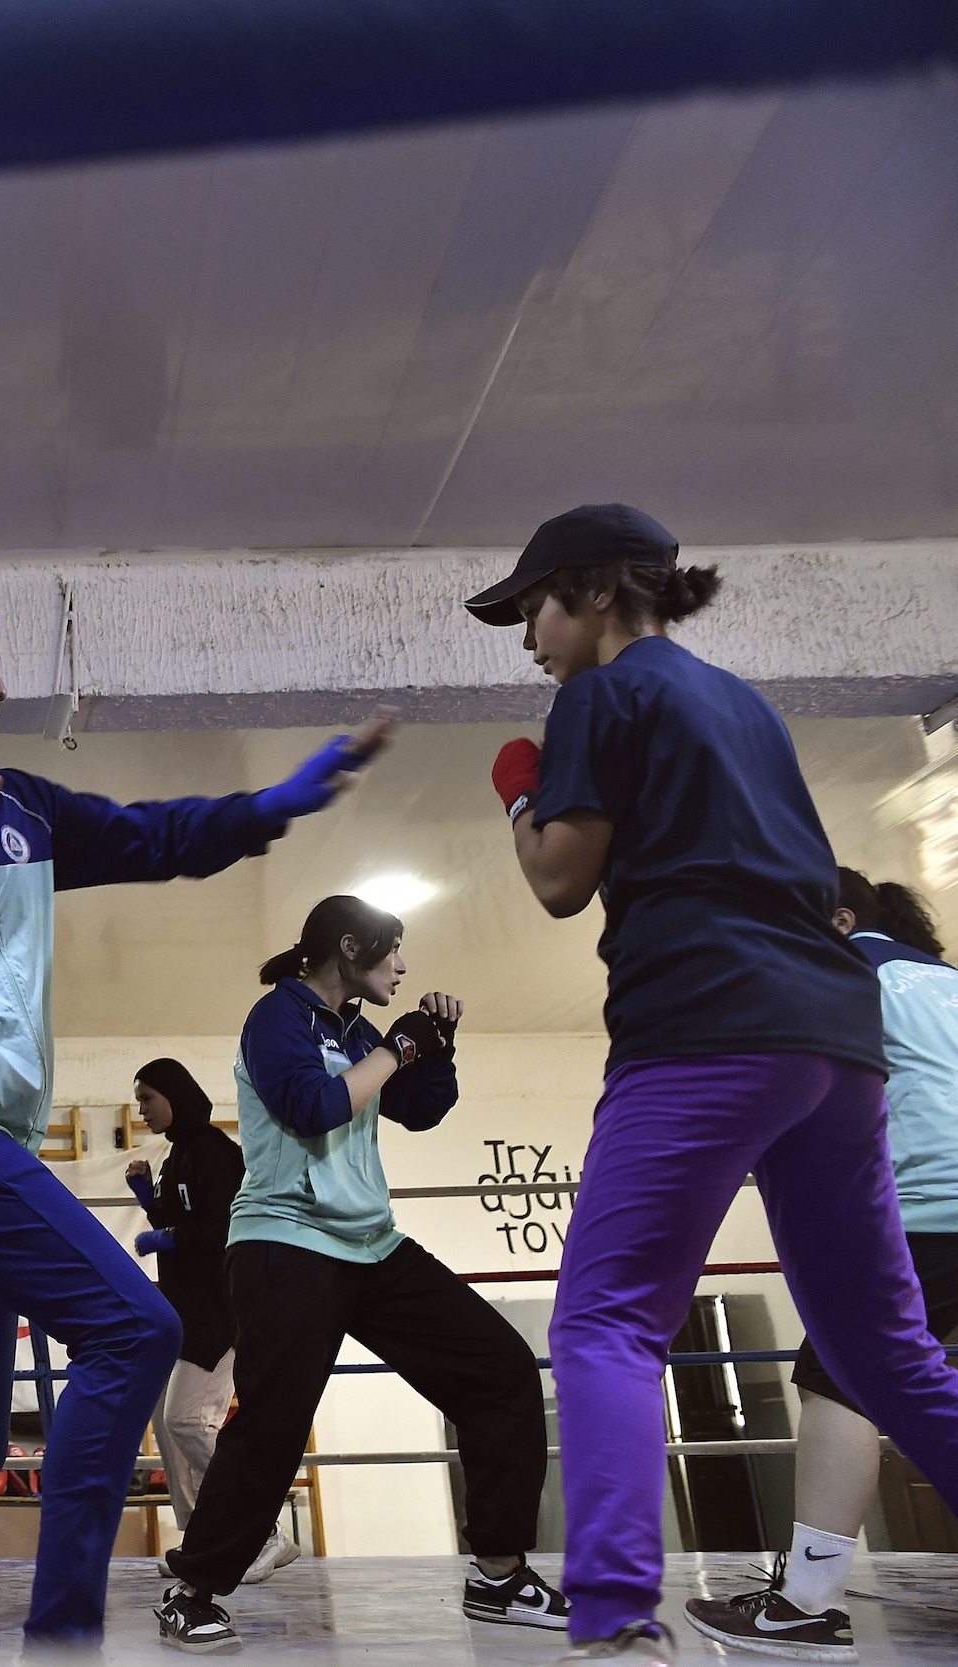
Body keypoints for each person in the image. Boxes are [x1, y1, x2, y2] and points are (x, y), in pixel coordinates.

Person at [0, 595, 394, 1659]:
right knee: (137, 1328)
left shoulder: (23, 808)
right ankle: (62, 1641)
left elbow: (157, 836)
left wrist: (282, 795)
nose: (1, 686)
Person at [467, 504, 958, 1663]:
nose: (528, 639)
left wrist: (517, 790)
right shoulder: (744, 700)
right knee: (888, 1349)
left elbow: (555, 881)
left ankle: (615, 1620)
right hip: (833, 1043)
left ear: (589, 592)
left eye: (532, 609)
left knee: (603, 1319)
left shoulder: (599, 692)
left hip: (702, 1025)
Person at [153, 895, 565, 1653]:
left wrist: (434, 1045)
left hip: (371, 1244)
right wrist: (395, 1049)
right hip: (286, 1242)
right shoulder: (276, 1017)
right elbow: (311, 1108)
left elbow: (418, 1109)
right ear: (350, 946)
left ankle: (500, 1575)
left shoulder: (357, 1030)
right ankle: (195, 1589)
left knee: (501, 1368)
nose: (404, 967)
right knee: (274, 1418)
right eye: (393, 951)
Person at [685, 871, 958, 1661]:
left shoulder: (848, 972)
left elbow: (787, 1089)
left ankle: (806, 1601)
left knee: (837, 1376)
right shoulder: (941, 979)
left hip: (926, 1210)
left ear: (840, 919)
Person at [124, 1059, 246, 1541]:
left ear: (174, 1096)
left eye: (148, 1099)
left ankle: (257, 1525)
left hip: (219, 1315)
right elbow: (180, 1227)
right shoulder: (178, 1155)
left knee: (186, 1422)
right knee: (171, 1430)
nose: (142, 1110)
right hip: (188, 1315)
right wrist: (148, 1204)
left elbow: (221, 1230)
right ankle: (199, 1541)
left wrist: (168, 1236)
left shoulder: (213, 1151)